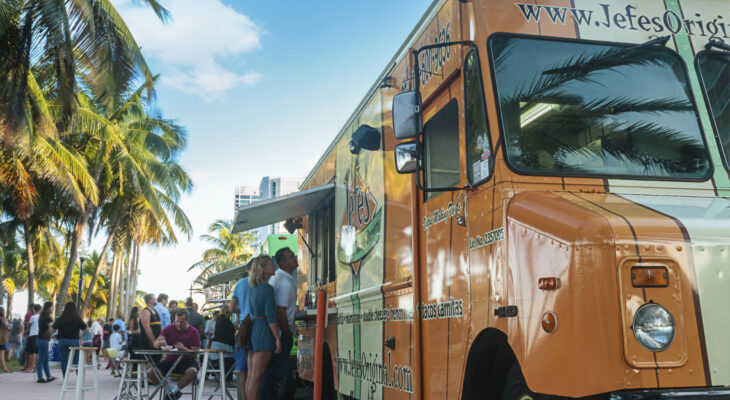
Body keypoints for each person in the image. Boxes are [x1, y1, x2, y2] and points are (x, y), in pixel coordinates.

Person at [261, 247, 299, 400]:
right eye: (290, 257)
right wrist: (288, 333)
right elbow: (280, 311)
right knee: (274, 373)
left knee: (271, 373)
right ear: (282, 262)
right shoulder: (284, 281)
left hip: (277, 332)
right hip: (282, 333)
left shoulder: (283, 278)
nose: (295, 258)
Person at [245, 255, 282, 400]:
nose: (274, 267)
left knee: (251, 376)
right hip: (263, 332)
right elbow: (271, 317)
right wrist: (277, 338)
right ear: (263, 269)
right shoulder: (267, 289)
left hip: (254, 331)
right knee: (256, 377)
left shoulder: (253, 288)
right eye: (271, 265)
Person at [148, 309, 201, 399]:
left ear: (187, 321)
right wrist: (161, 342)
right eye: (177, 321)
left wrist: (184, 349)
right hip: (169, 361)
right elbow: (156, 344)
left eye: (182, 322)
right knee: (150, 372)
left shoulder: (193, 331)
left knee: (193, 371)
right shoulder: (169, 328)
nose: (179, 324)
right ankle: (171, 391)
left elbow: (195, 353)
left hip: (187, 362)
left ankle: (173, 392)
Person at [229, 259, 253, 400]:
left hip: (244, 326)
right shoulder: (263, 283)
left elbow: (231, 308)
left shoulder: (240, 283)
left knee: (242, 369)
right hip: (258, 325)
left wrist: (242, 309)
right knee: (256, 368)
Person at [53, 302, 87, 377]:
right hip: (74, 341)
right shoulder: (77, 319)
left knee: (64, 360)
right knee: (76, 360)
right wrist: (81, 336)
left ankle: (65, 378)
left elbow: (53, 328)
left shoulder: (60, 319)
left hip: (62, 341)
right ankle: (79, 378)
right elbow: (86, 328)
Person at [209, 307, 235, 377]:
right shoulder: (228, 322)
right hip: (224, 344)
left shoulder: (218, 320)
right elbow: (232, 334)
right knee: (229, 359)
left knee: (220, 359)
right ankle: (227, 379)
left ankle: (216, 375)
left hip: (215, 344)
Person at [35, 302, 55, 383]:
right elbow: (52, 329)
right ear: (48, 308)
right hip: (43, 340)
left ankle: (48, 376)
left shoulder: (42, 316)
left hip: (41, 339)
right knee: (41, 360)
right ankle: (40, 377)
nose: (53, 308)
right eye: (52, 307)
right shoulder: (47, 318)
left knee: (45, 359)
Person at [139, 293, 162, 361]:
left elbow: (159, 325)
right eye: (154, 299)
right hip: (148, 342)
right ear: (150, 300)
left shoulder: (155, 311)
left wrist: (162, 337)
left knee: (157, 360)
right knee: (149, 361)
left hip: (157, 341)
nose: (156, 300)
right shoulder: (145, 311)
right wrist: (153, 340)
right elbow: (146, 327)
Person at [23, 304, 41, 373]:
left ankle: (30, 368)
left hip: (33, 335)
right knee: (37, 352)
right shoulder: (41, 317)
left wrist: (27, 329)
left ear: (34, 309)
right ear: (40, 310)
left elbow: (29, 326)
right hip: (39, 336)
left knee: (31, 352)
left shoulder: (33, 317)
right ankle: (35, 367)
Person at [0, 306, 11, 373]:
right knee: (2, 354)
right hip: (2, 339)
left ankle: (3, 366)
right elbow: (8, 328)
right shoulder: (3, 319)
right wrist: (8, 325)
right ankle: (5, 368)